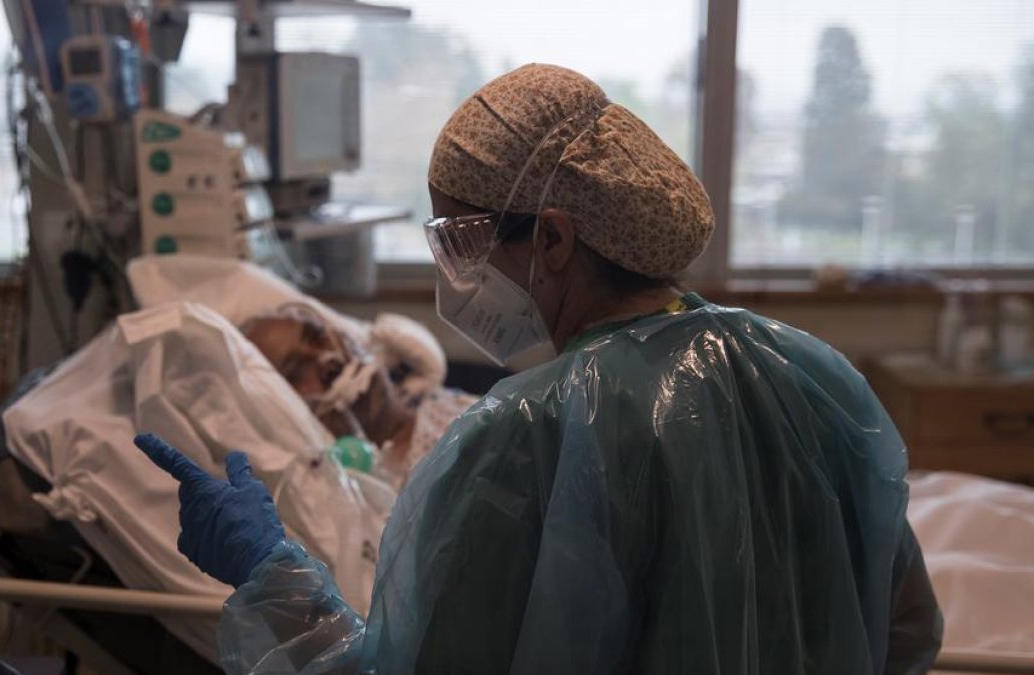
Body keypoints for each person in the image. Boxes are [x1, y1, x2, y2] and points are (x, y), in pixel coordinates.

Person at [135, 63, 943, 674]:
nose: (454, 271)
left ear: (553, 239)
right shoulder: (814, 377)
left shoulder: (525, 439)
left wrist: (272, 577)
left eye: (461, 239)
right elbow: (908, 631)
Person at [240, 304, 475, 489]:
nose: (327, 358)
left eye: (318, 336)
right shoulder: (372, 502)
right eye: (295, 371)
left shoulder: (454, 405)